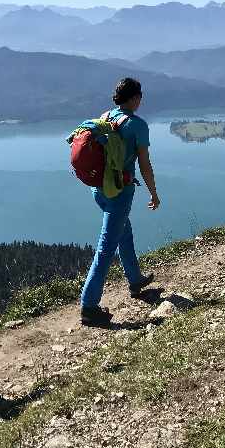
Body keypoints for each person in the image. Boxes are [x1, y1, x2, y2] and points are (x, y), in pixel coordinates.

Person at [80, 78, 160, 327]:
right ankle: (89, 306)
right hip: (120, 193)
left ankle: (135, 281)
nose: (141, 100)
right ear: (134, 98)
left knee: (124, 234)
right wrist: (153, 193)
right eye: (140, 96)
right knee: (106, 247)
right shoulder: (137, 125)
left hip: (99, 190)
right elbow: (144, 163)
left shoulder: (106, 117)